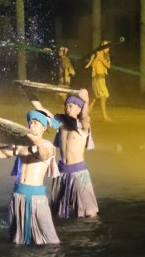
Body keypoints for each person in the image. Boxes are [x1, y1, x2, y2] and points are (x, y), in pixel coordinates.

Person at [0, 110, 61, 245]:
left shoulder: (48, 146)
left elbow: (44, 155)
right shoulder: (20, 146)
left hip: (36, 198)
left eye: (36, 123)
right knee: (15, 239)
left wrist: (37, 143)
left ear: (43, 128)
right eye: (30, 122)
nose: (32, 125)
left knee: (50, 240)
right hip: (18, 195)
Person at [25, 87, 99, 218]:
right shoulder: (60, 123)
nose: (67, 108)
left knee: (89, 212)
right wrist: (27, 90)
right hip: (61, 172)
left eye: (70, 106)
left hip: (78, 173)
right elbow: (40, 108)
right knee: (58, 212)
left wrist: (86, 100)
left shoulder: (83, 126)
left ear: (79, 109)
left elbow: (85, 117)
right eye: (66, 105)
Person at [84, 41, 112, 121]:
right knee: (103, 96)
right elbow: (93, 65)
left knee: (95, 99)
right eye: (106, 47)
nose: (108, 49)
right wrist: (97, 57)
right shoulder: (96, 54)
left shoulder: (106, 56)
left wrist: (101, 58)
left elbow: (108, 66)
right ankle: (105, 116)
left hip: (102, 79)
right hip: (97, 78)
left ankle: (84, 115)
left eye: (108, 47)